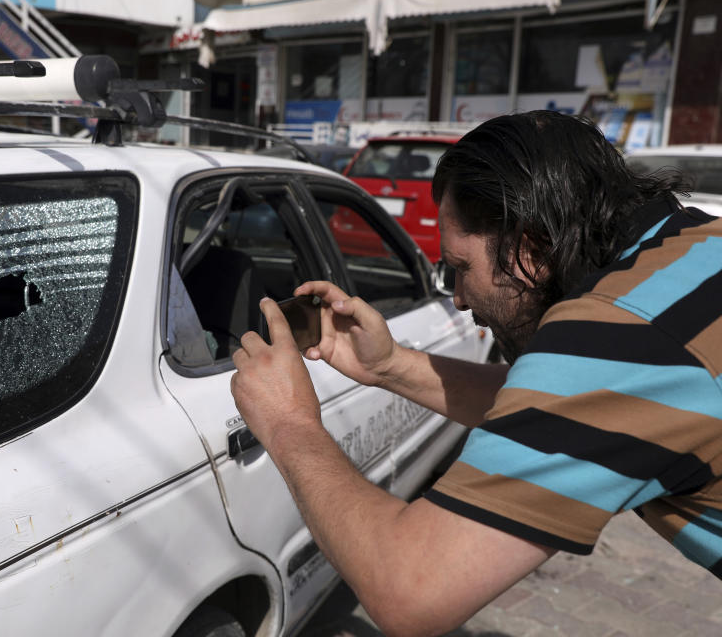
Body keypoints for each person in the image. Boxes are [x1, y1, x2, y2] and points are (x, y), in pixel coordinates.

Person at [230, 110, 722, 636]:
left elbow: (409, 589)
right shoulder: (694, 245)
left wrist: (289, 424)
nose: (460, 300)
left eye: (460, 268)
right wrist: (391, 365)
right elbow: (559, 406)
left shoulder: (620, 332)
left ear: (529, 250)